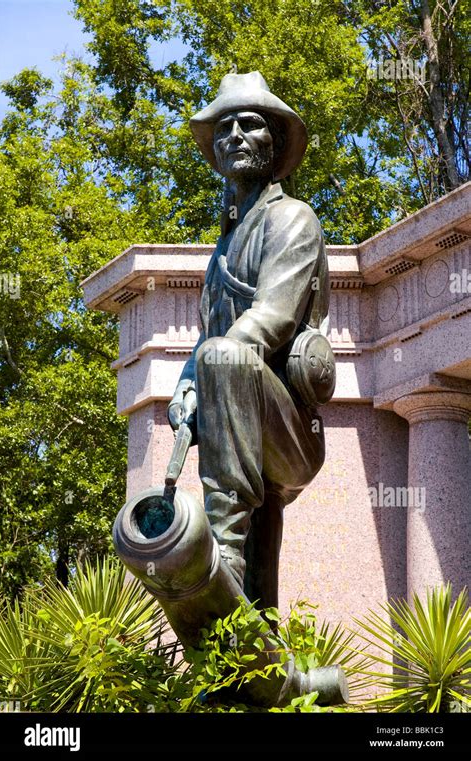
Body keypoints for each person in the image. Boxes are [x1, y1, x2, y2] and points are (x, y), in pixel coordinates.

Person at [167, 71, 334, 610]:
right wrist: (186, 389)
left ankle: (223, 557)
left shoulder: (293, 220)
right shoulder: (221, 248)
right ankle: (253, 615)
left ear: (276, 141)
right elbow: (205, 340)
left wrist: (212, 363)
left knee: (227, 354)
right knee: (216, 357)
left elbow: (267, 321)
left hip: (289, 430)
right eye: (224, 127)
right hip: (237, 414)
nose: (235, 134)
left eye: (251, 124)